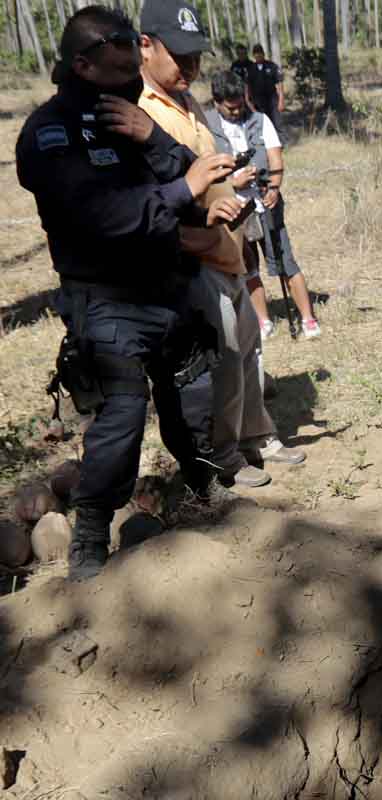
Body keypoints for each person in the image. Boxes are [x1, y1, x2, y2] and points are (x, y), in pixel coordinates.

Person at [16, 5, 241, 579]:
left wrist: (160, 143)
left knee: (190, 397)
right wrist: (180, 192)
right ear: (83, 65)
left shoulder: (130, 116)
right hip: (108, 302)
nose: (134, 85)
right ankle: (91, 540)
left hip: (169, 289)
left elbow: (195, 172)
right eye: (122, 74)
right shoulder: (49, 133)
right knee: (121, 418)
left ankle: (206, 487)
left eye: (135, 76)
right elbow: (101, 217)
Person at [137, 0, 305, 488]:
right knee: (225, 355)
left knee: (248, 348)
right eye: (180, 57)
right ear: (146, 46)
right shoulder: (142, 112)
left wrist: (235, 180)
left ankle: (256, 436)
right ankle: (224, 454)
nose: (191, 68)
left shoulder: (188, 104)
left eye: (196, 58)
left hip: (228, 249)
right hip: (193, 257)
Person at [205, 70, 321, 340]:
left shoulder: (260, 120)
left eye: (239, 105)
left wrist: (275, 188)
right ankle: (263, 321)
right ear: (216, 102)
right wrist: (233, 182)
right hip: (234, 209)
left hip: (265, 205)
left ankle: (308, 318)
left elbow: (276, 158)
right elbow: (203, 171)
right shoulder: (205, 126)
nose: (236, 112)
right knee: (247, 268)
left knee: (285, 262)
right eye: (230, 107)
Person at [246, 43, 283, 133]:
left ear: (263, 54)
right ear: (253, 55)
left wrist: (281, 100)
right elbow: (247, 87)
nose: (258, 55)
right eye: (256, 53)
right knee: (262, 124)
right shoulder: (251, 69)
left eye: (260, 53)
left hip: (272, 99)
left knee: (276, 123)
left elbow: (279, 84)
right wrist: (248, 101)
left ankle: (280, 142)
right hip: (258, 101)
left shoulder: (272, 66)